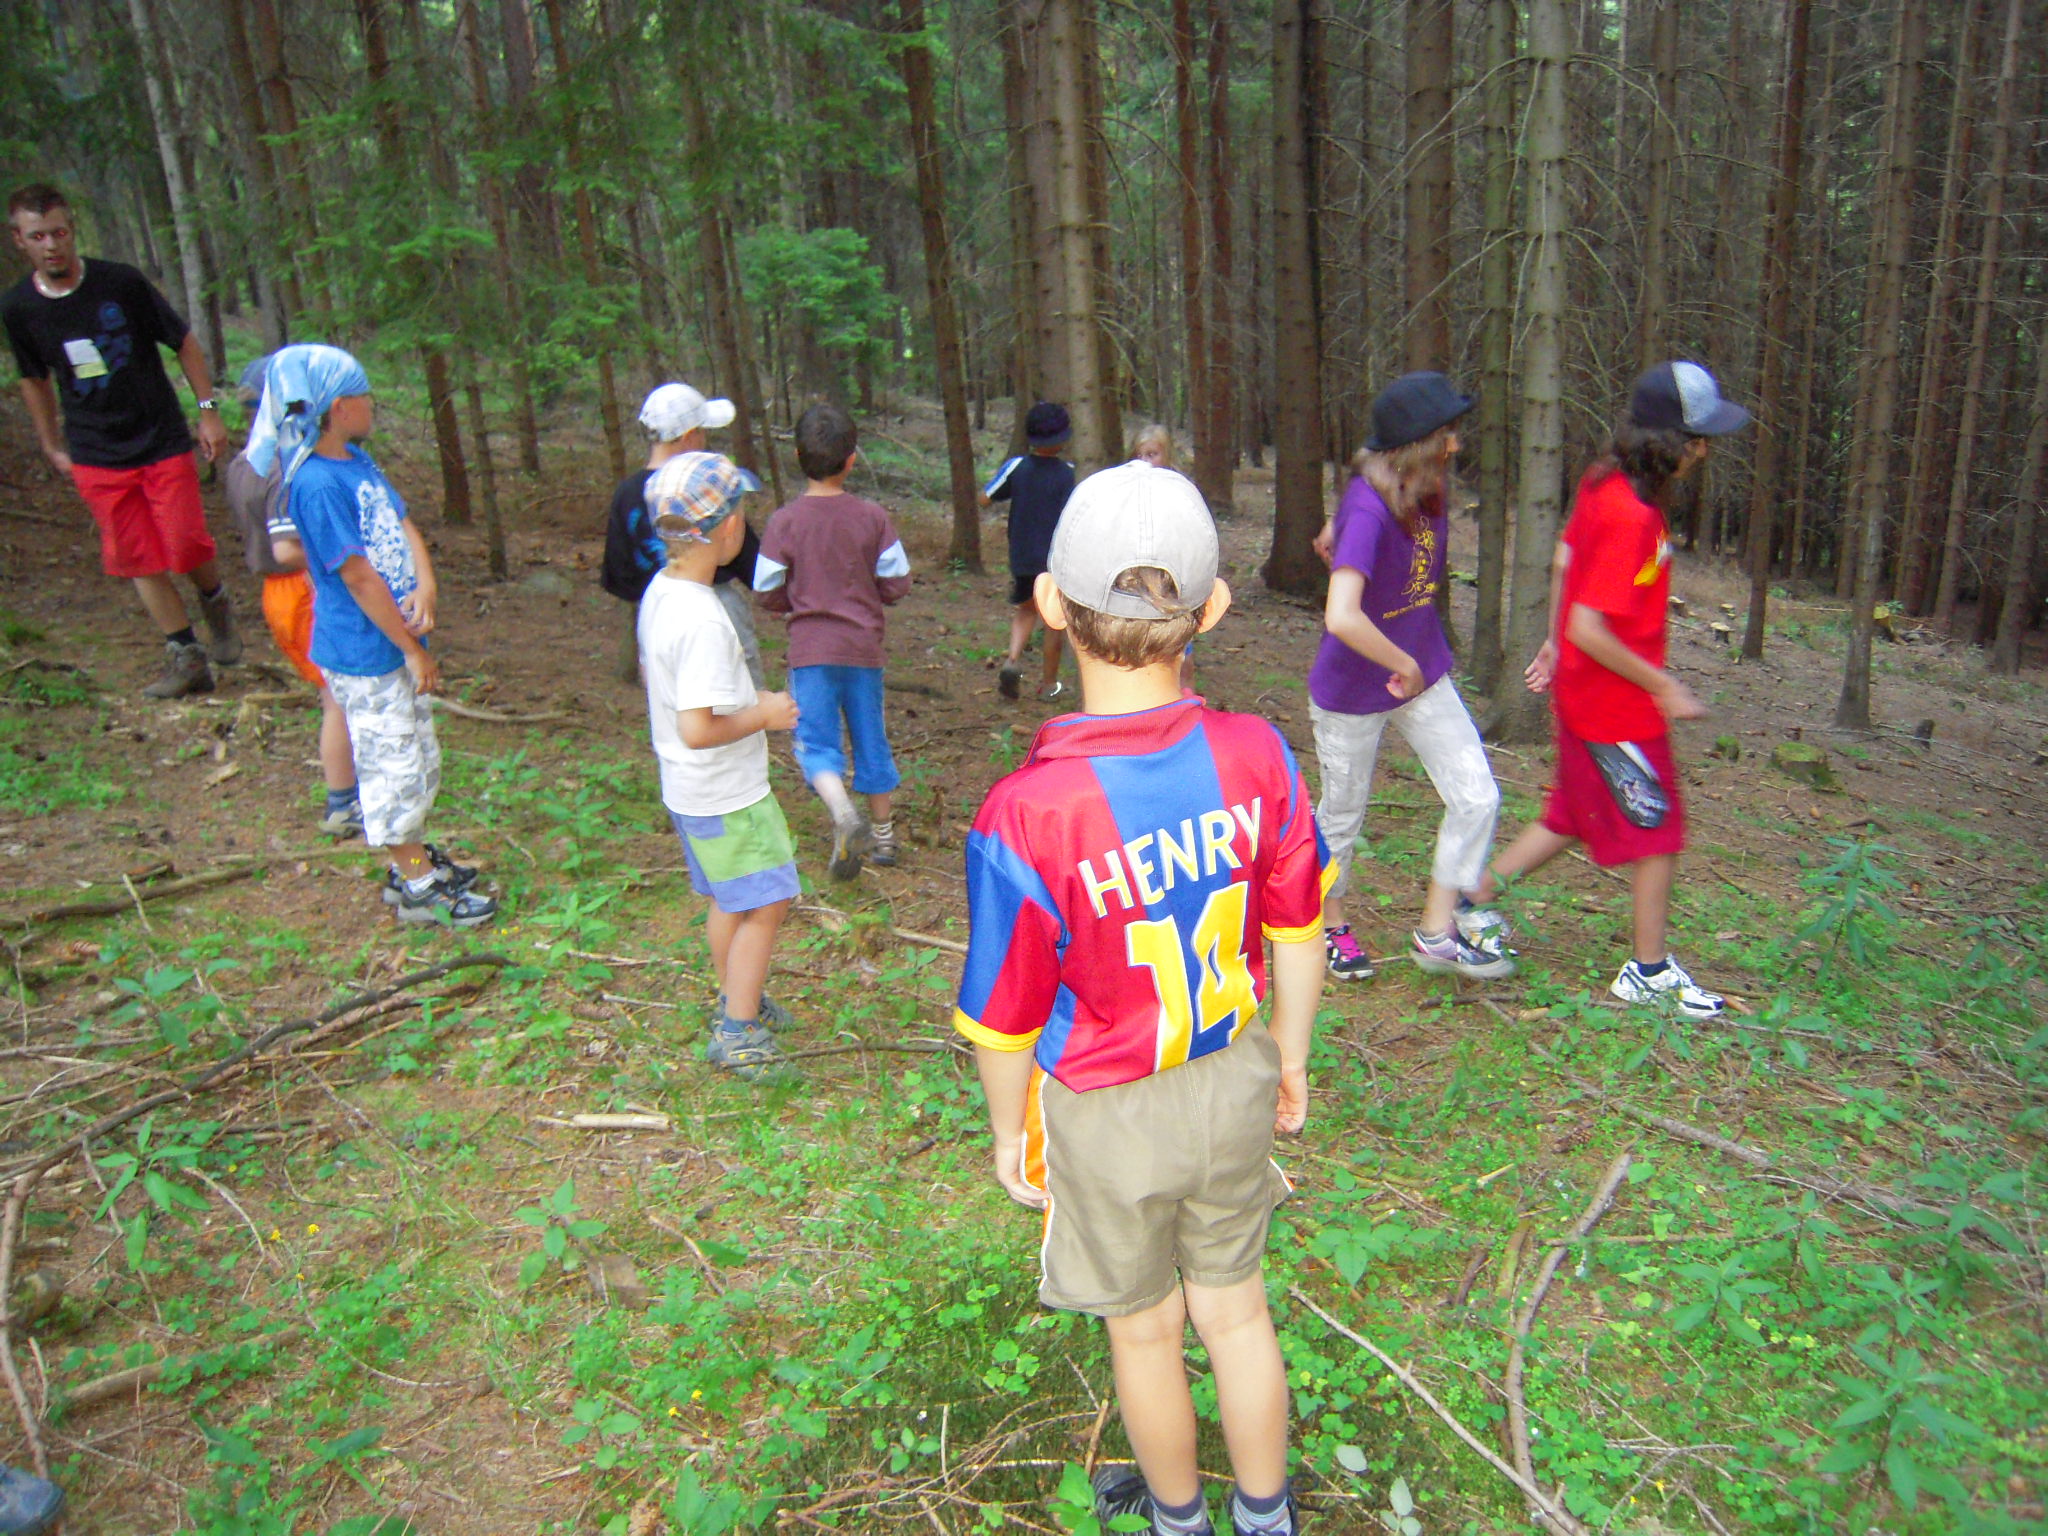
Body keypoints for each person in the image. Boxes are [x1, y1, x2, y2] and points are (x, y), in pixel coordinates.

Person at [956, 462, 1328, 1536]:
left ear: (1047, 603)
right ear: (1212, 609)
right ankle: (1266, 1516)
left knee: (1144, 1329)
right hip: (1231, 1079)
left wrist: (1009, 1131)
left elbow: (1003, 1019)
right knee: (1237, 1313)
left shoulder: (1027, 813)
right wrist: (1289, 1055)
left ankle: (1178, 1519)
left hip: (1106, 1112)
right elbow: (1299, 931)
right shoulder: (1257, 756)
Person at [1465, 361, 1751, 1018]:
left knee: (1570, 814)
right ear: (1669, 442)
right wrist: (1662, 684)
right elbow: (1591, 628)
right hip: (1616, 708)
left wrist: (1552, 642)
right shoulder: (1632, 514)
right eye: (1697, 440)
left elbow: (1566, 560)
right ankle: (1647, 972)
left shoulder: (1604, 480)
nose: (1704, 452)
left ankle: (1471, 899)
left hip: (1589, 695)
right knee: (1658, 830)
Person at [246, 344, 497, 927]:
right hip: (365, 652)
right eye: (364, 395)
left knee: (417, 756)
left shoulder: (357, 460)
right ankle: (417, 886)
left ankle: (411, 860)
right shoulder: (314, 483)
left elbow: (403, 524)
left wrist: (426, 585)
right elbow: (357, 576)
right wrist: (410, 651)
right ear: (338, 407)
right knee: (391, 767)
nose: (372, 404)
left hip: (394, 644)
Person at [1307, 372, 1512, 984]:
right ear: (1418, 446)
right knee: (1342, 816)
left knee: (1477, 795)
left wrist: (1337, 534)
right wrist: (1401, 661)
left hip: (1421, 675)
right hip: (1353, 689)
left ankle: (1437, 930)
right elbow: (1341, 615)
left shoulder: (1425, 489)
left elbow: (1349, 520)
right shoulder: (1369, 508)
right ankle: (1328, 925)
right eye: (1447, 436)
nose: (1456, 445)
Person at [2, 182, 240, 699]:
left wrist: (208, 414)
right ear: (19, 240)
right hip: (95, 450)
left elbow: (183, 342)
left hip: (159, 436)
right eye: (38, 236)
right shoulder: (19, 307)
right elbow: (33, 378)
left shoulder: (121, 283)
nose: (51, 245)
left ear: (72, 230)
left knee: (184, 542)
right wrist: (50, 442)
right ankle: (186, 656)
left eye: (59, 232)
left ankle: (214, 598)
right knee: (137, 556)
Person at [640, 451, 802, 1079]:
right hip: (728, 794)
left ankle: (738, 995)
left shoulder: (664, 592)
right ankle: (738, 1031)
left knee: (730, 900)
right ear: (729, 527)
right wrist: (764, 714)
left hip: (689, 789)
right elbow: (699, 727)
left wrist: (746, 702)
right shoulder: (704, 619)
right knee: (767, 902)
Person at [754, 403, 911, 880]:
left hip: (811, 653)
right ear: (852, 459)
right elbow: (897, 581)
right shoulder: (872, 517)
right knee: (871, 738)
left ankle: (843, 813)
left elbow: (765, 587)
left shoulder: (784, 521)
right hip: (863, 651)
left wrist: (795, 600)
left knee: (816, 742)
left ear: (798, 456)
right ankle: (884, 836)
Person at [224, 355, 361, 837]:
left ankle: (352, 791)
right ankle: (343, 801)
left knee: (336, 695)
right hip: (304, 587)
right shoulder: (287, 467)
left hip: (278, 593)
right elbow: (290, 546)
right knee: (338, 697)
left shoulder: (244, 464)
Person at [600, 383, 765, 688]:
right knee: (739, 691)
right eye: (703, 431)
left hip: (654, 611)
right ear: (690, 436)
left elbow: (620, 576)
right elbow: (754, 566)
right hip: (716, 605)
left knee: (673, 695)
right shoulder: (708, 488)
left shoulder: (626, 494)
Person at [979, 401, 1077, 703]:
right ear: (1063, 438)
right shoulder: (1069, 474)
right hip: (1055, 561)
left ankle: (1012, 660)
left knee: (1025, 610)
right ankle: (1049, 684)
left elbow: (985, 498)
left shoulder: (1016, 467)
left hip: (1021, 556)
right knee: (1053, 622)